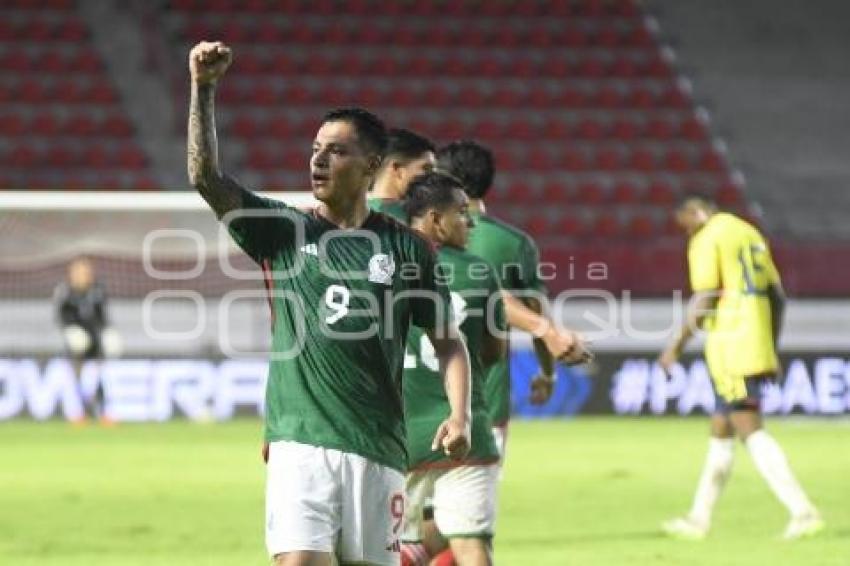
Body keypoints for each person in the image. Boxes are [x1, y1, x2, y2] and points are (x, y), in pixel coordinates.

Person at [187, 41, 473, 566]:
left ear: (371, 167)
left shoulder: (407, 248)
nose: (318, 158)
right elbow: (206, 179)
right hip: (301, 445)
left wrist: (461, 415)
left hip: (378, 448)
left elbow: (448, 341)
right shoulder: (284, 231)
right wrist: (204, 90)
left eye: (336, 150)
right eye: (315, 147)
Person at [658, 195, 823, 540]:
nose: (687, 233)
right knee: (721, 430)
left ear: (694, 213)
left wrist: (675, 346)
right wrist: (771, 348)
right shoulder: (749, 233)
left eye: (685, 225)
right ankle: (698, 519)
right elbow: (777, 295)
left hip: (730, 344)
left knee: (749, 427)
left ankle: (803, 511)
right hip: (755, 339)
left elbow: (705, 296)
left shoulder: (708, 237)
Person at [436, 140, 591, 464]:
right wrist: (547, 375)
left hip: (423, 401)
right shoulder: (514, 243)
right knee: (472, 511)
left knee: (420, 510)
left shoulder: (420, 236)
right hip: (485, 404)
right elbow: (537, 316)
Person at [398, 172, 504, 566]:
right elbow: (493, 352)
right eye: (462, 213)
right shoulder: (479, 272)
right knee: (470, 545)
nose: (471, 222)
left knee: (386, 550)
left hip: (400, 438)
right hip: (465, 433)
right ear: (434, 220)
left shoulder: (383, 265)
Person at [54, 257, 121, 424]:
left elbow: (102, 315)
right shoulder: (65, 291)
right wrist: (70, 331)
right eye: (79, 272)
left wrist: (108, 331)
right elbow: (61, 317)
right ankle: (79, 413)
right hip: (76, 341)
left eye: (86, 272)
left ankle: (103, 413)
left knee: (98, 377)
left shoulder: (98, 290)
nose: (83, 275)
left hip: (95, 340)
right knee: (76, 378)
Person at [369, 128, 437, 222]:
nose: (434, 176)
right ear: (397, 169)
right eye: (426, 168)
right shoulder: (416, 221)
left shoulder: (349, 212)